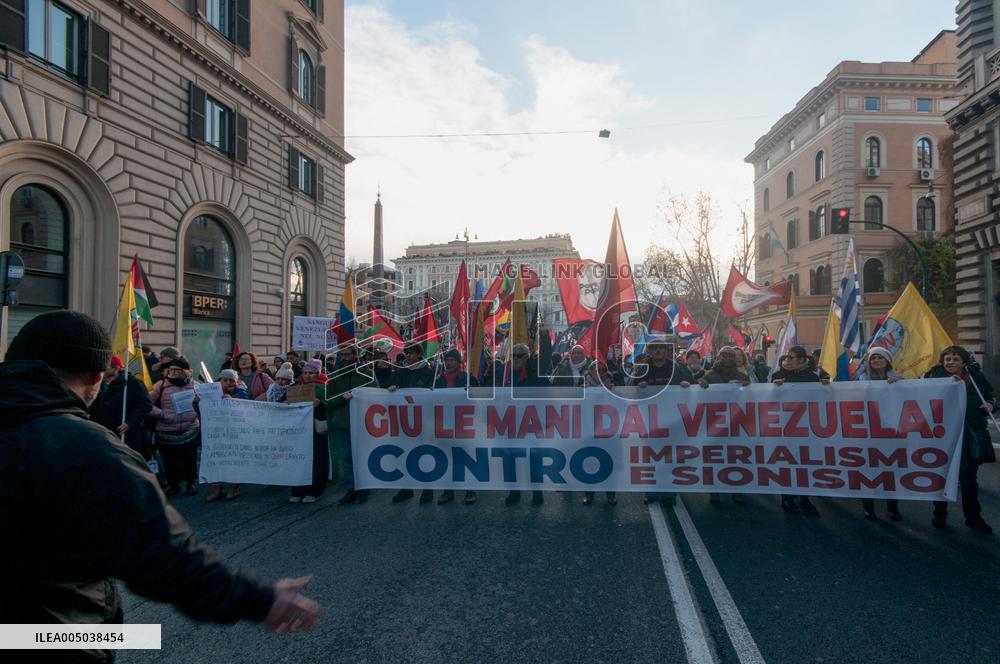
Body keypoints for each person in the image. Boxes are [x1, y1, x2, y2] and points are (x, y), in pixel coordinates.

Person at [0, 311, 320, 652]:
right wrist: (260, 600)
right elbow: (160, 554)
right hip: (44, 637)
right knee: (142, 639)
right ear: (97, 376)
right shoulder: (82, 448)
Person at [925, 346, 996, 534]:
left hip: (970, 434)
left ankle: (973, 518)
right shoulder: (933, 375)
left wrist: (990, 404)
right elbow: (920, 395)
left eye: (955, 359)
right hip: (943, 435)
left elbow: (990, 396)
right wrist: (945, 384)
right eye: (947, 359)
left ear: (963, 362)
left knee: (969, 479)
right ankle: (939, 514)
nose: (950, 362)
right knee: (942, 476)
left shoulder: (975, 377)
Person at [630, 338, 694, 507]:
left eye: (661, 348)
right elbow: (630, 388)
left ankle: (668, 493)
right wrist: (638, 385)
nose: (658, 351)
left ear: (666, 351)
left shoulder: (677, 368)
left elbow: (692, 387)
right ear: (650, 351)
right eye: (654, 348)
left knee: (669, 458)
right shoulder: (642, 369)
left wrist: (687, 384)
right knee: (651, 457)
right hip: (650, 420)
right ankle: (651, 492)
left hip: (672, 420)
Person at [772, 346, 828, 515]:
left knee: (805, 464)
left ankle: (805, 499)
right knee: (787, 463)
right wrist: (775, 389)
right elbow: (767, 401)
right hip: (785, 428)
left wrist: (826, 386)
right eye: (787, 357)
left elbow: (823, 401)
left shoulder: (812, 378)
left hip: (807, 428)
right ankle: (787, 498)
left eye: (792, 357)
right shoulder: (777, 377)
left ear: (802, 360)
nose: (787, 360)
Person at [853, 347, 903, 522]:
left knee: (890, 470)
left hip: (890, 431)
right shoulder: (860, 379)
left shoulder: (898, 379)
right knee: (868, 470)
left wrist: (896, 385)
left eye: (880, 358)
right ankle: (868, 507)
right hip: (866, 431)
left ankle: (893, 508)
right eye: (873, 358)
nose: (876, 361)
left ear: (887, 361)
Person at [325, 344, 377, 506]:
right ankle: (351, 489)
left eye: (348, 354)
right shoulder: (334, 375)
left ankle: (364, 489)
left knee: (362, 456)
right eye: (342, 355)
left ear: (355, 355)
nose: (345, 357)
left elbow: (376, 394)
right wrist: (342, 397)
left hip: (362, 422)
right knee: (346, 458)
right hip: (342, 422)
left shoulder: (367, 373)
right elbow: (328, 399)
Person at [698, 346, 748, 506]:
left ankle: (737, 489)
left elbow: (751, 395)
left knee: (735, 457)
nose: (727, 359)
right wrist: (701, 383)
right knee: (715, 457)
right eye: (724, 355)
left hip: (735, 422)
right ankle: (715, 489)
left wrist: (748, 385)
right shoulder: (710, 375)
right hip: (715, 422)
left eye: (730, 356)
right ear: (719, 357)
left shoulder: (741, 375)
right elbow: (699, 393)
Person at [388, 342, 437, 503]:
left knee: (424, 454)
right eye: (407, 353)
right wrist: (392, 388)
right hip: (405, 421)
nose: (409, 356)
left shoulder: (428, 371)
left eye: (412, 353)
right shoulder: (400, 371)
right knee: (404, 453)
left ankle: (427, 490)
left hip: (423, 421)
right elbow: (391, 386)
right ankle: (406, 488)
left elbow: (435, 394)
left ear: (419, 354)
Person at [504, 342, 549, 506]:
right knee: (510, 460)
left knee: (534, 459)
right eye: (513, 355)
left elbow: (544, 362)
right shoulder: (504, 371)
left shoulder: (533, 371)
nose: (515, 359)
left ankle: (537, 493)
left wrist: (544, 337)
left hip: (531, 424)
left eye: (519, 356)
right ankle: (514, 492)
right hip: (510, 424)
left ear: (526, 357)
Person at [434, 349, 480, 505]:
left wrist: (472, 393)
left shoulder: (468, 378)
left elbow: (481, 398)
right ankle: (448, 492)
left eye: (453, 360)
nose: (449, 362)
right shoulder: (438, 380)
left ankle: (470, 490)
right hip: (445, 424)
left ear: (459, 362)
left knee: (466, 457)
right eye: (447, 360)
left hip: (465, 425)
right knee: (447, 457)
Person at [149, 356, 200, 497]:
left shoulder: (195, 385)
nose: (174, 373)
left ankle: (191, 483)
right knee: (170, 461)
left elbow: (207, 402)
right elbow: (146, 404)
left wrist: (198, 403)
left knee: (189, 459)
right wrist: (162, 414)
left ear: (186, 372)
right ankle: (174, 485)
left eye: (178, 370)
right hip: (166, 429)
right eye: (171, 370)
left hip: (190, 428)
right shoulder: (161, 385)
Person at [89, 354, 153, 459]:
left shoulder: (132, 384)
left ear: (116, 368)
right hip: (101, 433)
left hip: (124, 435)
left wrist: (130, 422)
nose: (100, 369)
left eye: (104, 366)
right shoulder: (97, 384)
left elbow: (145, 405)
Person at [204, 369, 250, 502]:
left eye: (231, 380)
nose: (228, 383)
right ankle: (216, 489)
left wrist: (233, 400)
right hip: (216, 433)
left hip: (234, 433)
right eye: (225, 380)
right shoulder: (212, 393)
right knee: (216, 460)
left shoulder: (241, 392)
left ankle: (233, 487)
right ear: (219, 381)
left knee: (233, 459)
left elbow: (247, 405)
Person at [290, 360, 330, 504]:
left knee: (317, 460)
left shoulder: (324, 387)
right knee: (299, 459)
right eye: (305, 373)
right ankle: (297, 489)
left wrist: (320, 405)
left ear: (318, 373)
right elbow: (283, 401)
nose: (307, 376)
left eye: (311, 373)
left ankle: (314, 490)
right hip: (299, 430)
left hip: (316, 429)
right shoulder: (295, 387)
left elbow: (331, 404)